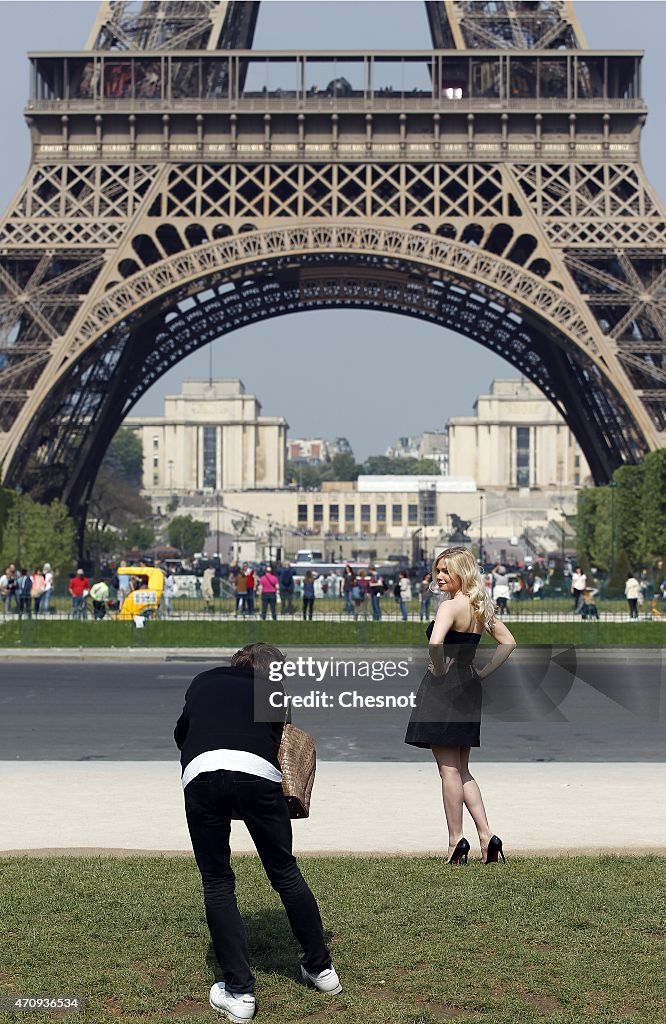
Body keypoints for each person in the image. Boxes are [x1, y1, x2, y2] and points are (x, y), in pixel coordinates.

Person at [174, 642, 342, 1021]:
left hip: (200, 772)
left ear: (236, 663)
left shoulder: (204, 680)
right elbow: (277, 740)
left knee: (217, 880)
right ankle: (321, 970)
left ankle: (239, 992)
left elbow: (181, 734)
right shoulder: (272, 692)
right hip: (258, 776)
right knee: (284, 871)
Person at [405, 547, 516, 864]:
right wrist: (481, 674)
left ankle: (456, 840)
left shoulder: (450, 607)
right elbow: (508, 643)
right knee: (463, 769)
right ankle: (487, 837)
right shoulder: (480, 606)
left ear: (461, 573)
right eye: (437, 570)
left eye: (445, 571)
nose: (438, 576)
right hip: (469, 687)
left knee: (448, 770)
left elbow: (435, 643)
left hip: (444, 690)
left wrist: (439, 669)